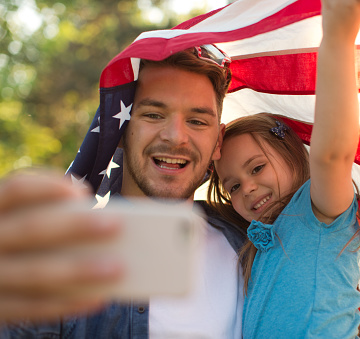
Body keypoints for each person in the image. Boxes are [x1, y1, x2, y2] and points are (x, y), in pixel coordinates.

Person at [0, 45, 246, 338]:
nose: (175, 136)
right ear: (118, 131)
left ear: (218, 142)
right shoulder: (59, 256)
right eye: (154, 115)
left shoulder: (252, 247)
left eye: (196, 121)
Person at [207, 0, 360, 337]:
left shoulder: (317, 213)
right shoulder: (257, 245)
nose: (247, 188)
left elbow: (333, 154)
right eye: (232, 186)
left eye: (257, 168)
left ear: (290, 152)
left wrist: (338, 34)